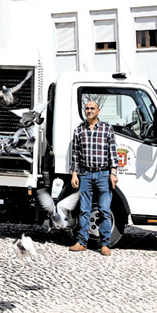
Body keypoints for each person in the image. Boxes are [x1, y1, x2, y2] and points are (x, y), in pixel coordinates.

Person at [68, 100, 118, 256]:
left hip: (103, 174)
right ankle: (82, 242)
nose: (89, 110)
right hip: (85, 174)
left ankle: (105, 244)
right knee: (84, 210)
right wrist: (74, 173)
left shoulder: (107, 129)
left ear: (98, 111)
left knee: (104, 210)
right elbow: (75, 154)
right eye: (87, 108)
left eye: (92, 108)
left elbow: (112, 152)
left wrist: (113, 173)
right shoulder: (79, 130)